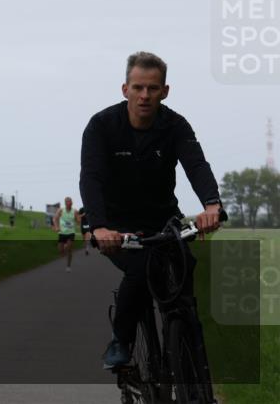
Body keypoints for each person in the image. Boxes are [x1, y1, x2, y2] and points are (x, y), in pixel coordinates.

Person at [79, 51, 222, 371]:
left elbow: (196, 165)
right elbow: (91, 177)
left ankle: (193, 359)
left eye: (153, 88)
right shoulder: (102, 126)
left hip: (162, 219)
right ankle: (122, 340)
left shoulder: (175, 125)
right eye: (138, 87)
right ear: (125, 89)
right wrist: (99, 226)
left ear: (165, 91)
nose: (145, 95)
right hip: (115, 224)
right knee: (143, 268)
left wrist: (212, 204)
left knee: (184, 273)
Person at [52, 197, 80, 271]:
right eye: (67, 202)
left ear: (72, 203)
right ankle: (64, 249)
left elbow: (78, 221)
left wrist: (78, 219)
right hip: (62, 232)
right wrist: (56, 227)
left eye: (70, 202)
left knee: (69, 248)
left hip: (71, 232)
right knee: (60, 251)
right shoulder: (61, 210)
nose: (69, 203)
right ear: (65, 203)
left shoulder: (75, 211)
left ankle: (68, 266)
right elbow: (55, 218)